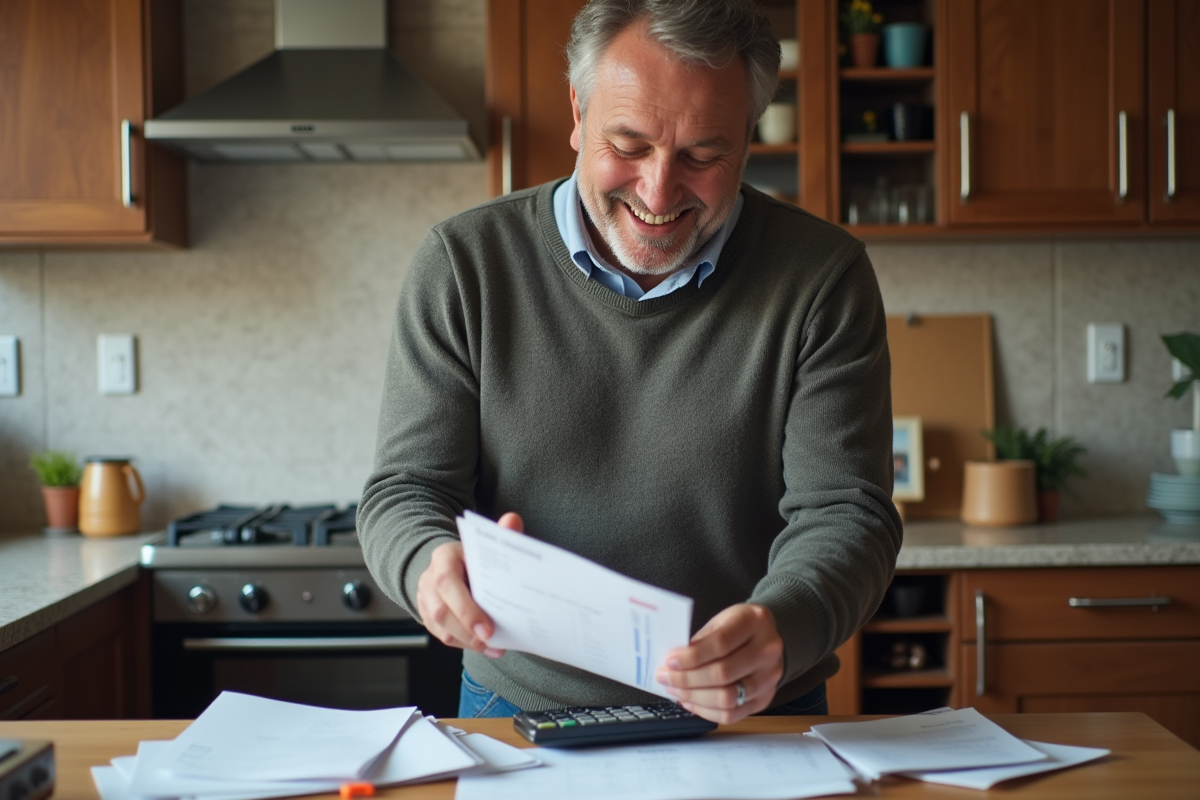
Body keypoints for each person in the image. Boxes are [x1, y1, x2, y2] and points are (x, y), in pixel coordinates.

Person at [358, 0, 901, 725]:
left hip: (750, 709)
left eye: (704, 155)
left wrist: (785, 624)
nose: (657, 191)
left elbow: (847, 511)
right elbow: (404, 490)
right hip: (518, 703)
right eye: (630, 144)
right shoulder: (464, 265)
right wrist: (428, 564)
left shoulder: (823, 278)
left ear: (749, 138)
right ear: (578, 113)